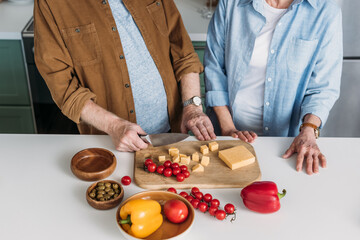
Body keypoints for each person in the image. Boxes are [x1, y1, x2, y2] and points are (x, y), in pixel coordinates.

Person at [34, 0, 216, 152]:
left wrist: (192, 108)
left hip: (172, 133)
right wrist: (115, 126)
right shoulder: (52, 3)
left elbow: (183, 51)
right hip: (112, 143)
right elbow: (62, 85)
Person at [204, 0, 342, 174]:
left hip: (286, 143)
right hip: (227, 134)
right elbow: (214, 67)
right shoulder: (231, 4)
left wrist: (309, 130)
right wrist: (228, 129)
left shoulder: (325, 12)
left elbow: (322, 88)